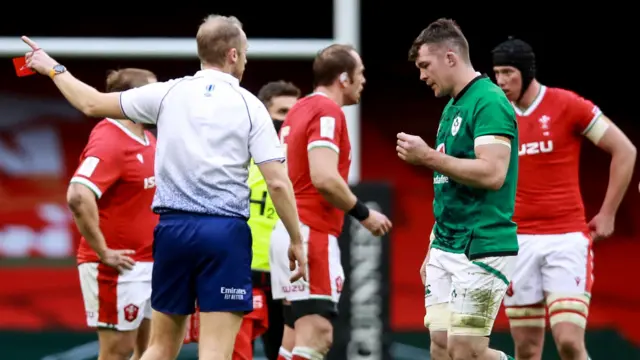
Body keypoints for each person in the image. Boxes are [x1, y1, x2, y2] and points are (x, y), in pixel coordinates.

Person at [22, 14, 306, 360]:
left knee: (158, 348)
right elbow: (276, 182)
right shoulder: (250, 106)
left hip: (172, 232)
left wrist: (52, 67)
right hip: (223, 234)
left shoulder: (168, 92)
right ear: (233, 54)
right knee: (216, 352)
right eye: (245, 53)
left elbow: (91, 103)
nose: (245, 60)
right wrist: (295, 238)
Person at [492, 38, 637, 360]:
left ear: (527, 72)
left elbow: (625, 150)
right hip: (516, 242)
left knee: (570, 342)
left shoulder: (567, 104)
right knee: (527, 349)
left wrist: (608, 213)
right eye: (496, 73)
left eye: (508, 72)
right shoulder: (493, 114)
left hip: (566, 239)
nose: (501, 81)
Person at [398, 18, 518, 360]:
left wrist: (426, 157)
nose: (421, 75)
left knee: (466, 350)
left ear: (450, 57)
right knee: (440, 345)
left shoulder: (489, 101)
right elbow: (448, 186)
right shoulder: (453, 105)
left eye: (425, 65)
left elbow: (493, 173)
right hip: (446, 244)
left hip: (482, 247)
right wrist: (431, 245)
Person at [269, 43, 392, 360]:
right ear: (344, 78)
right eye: (360, 73)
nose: (364, 80)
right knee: (318, 337)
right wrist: (364, 214)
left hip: (289, 232)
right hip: (311, 233)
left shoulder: (298, 109)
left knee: (293, 338)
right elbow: (323, 177)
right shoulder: (327, 111)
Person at [68, 68, 158, 360]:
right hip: (118, 268)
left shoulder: (147, 137)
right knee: (117, 352)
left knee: (150, 350)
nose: (161, 99)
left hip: (149, 262)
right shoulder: (110, 141)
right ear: (133, 100)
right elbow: (78, 195)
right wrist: (103, 251)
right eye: (153, 93)